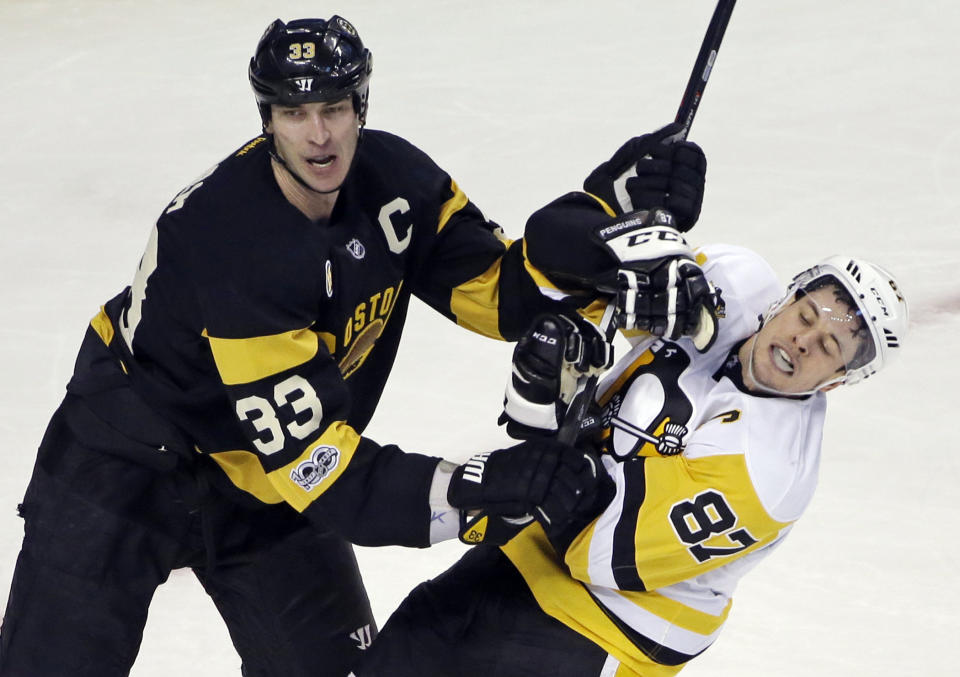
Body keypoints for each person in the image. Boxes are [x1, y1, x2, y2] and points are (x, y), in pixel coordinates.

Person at [0, 15, 715, 677]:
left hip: (261, 482)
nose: (319, 136)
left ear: (361, 106)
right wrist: (478, 486)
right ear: (267, 119)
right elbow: (327, 475)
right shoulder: (233, 244)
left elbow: (499, 293)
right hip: (126, 464)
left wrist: (605, 216)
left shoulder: (393, 182)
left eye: (335, 108)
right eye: (295, 112)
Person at [349, 199, 910, 676]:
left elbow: (601, 552)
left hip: (618, 624)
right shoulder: (735, 282)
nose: (803, 340)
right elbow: (600, 295)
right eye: (806, 314)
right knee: (409, 649)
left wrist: (546, 421)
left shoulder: (769, 473)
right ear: (789, 295)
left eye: (829, 349)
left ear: (836, 381)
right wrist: (627, 256)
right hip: (536, 549)